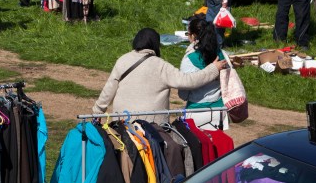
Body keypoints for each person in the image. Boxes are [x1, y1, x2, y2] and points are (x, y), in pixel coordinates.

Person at [93, 28, 225, 123]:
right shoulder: (161, 65)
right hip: (152, 127)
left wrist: (97, 111)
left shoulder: (123, 60)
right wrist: (213, 69)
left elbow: (109, 88)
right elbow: (188, 81)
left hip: (122, 122)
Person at [179, 17, 229, 129]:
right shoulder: (221, 54)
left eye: (188, 33)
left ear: (193, 36)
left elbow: (183, 90)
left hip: (197, 111)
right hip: (219, 109)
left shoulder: (189, 59)